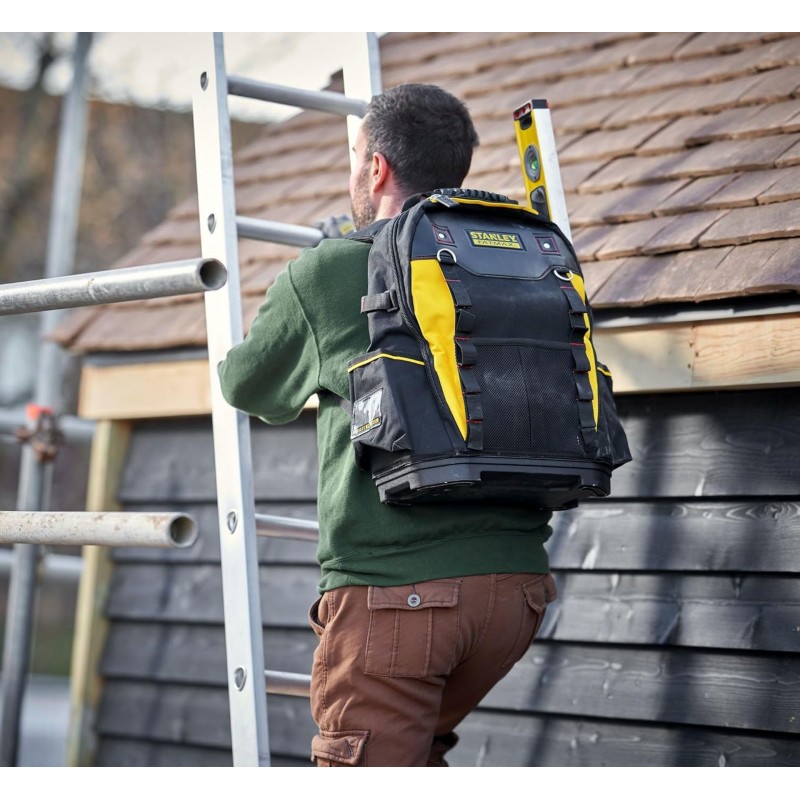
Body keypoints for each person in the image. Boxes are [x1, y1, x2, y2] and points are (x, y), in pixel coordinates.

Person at [218, 83, 557, 767]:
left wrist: (318, 283)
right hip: (516, 593)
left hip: (399, 596)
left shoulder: (334, 269)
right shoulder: (523, 256)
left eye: (355, 158)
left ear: (376, 168)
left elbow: (245, 385)